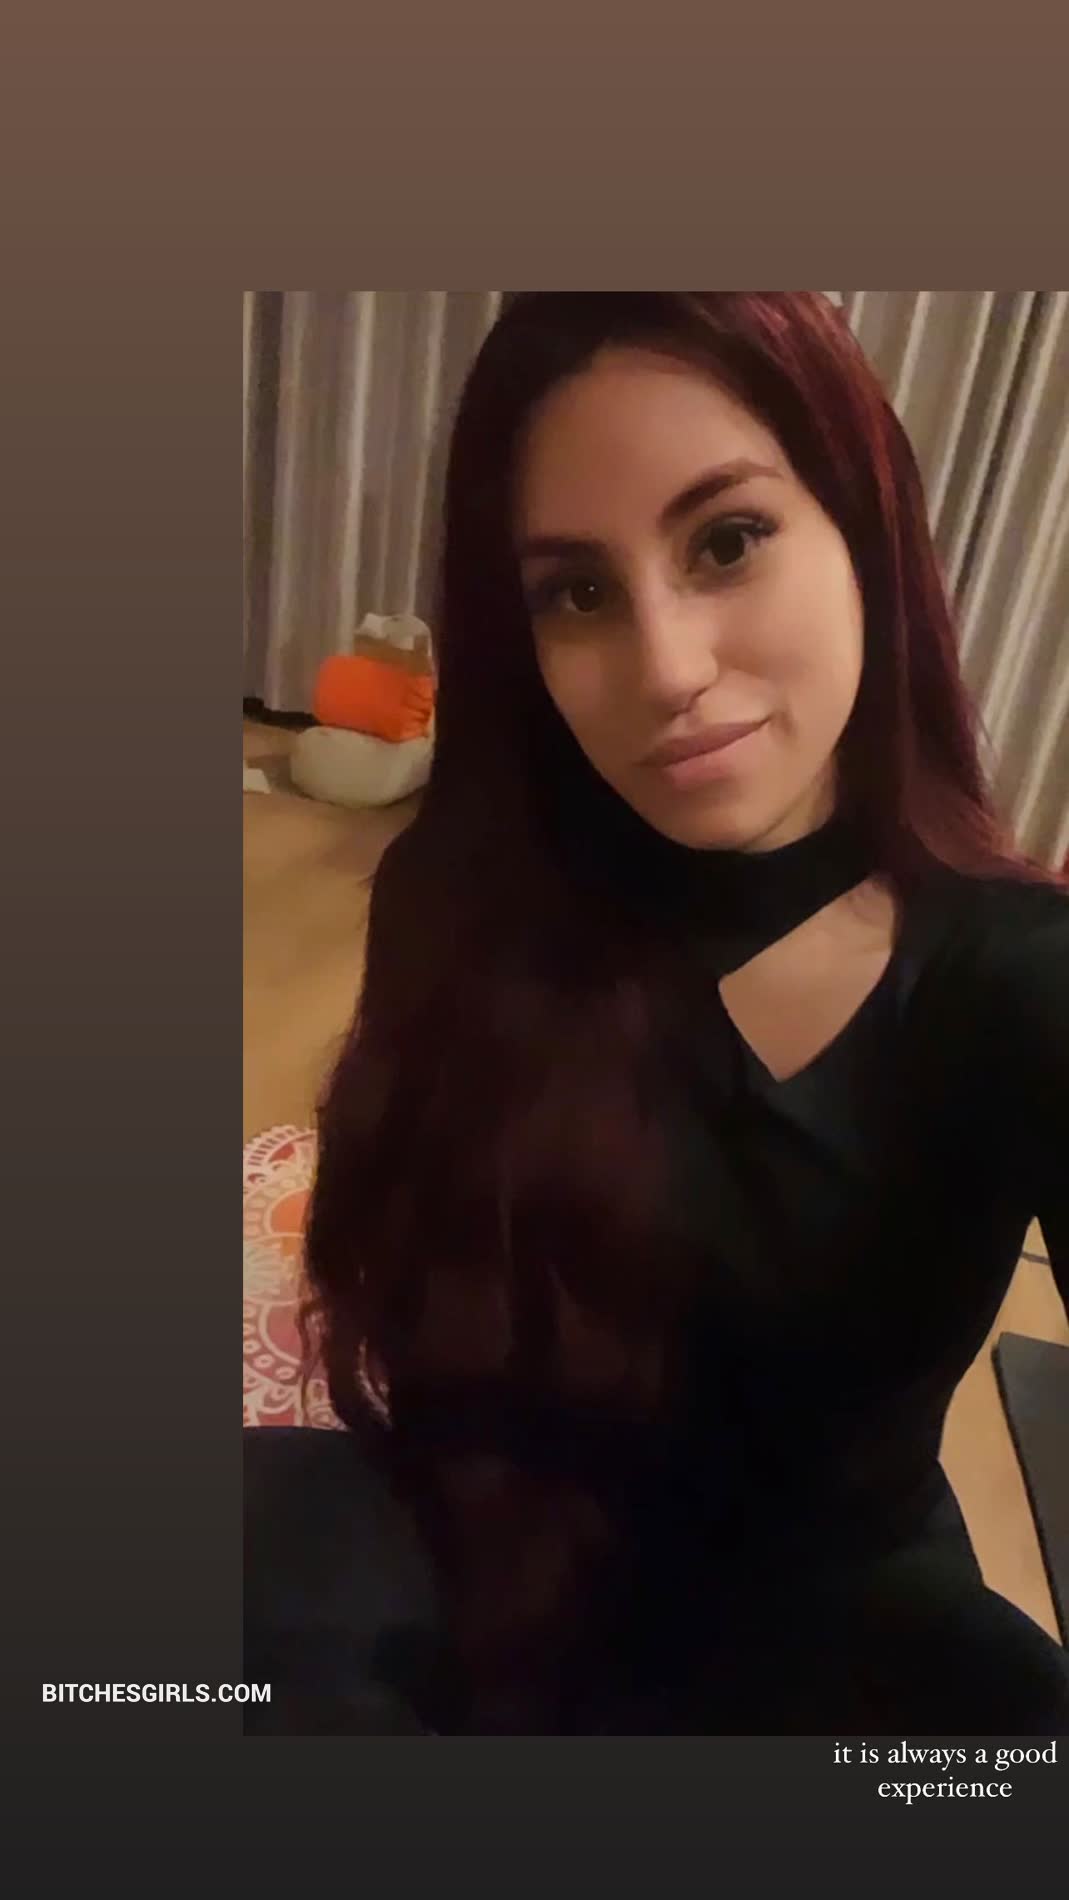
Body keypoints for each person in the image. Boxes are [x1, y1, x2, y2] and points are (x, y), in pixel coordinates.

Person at [243, 292, 1069, 1736]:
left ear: (865, 531)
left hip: (822, 1679)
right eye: (577, 591)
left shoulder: (1017, 981)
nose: (668, 670)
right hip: (467, 1594)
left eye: (726, 541)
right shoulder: (464, 898)